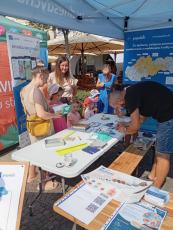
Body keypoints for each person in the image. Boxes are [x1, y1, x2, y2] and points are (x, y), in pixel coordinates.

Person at [109, 81, 173, 188]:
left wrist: (124, 129)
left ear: (120, 101)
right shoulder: (132, 92)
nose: (118, 109)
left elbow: (135, 128)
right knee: (159, 149)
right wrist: (126, 124)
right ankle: (152, 177)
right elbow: (141, 119)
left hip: (169, 117)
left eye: (116, 107)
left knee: (163, 155)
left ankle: (155, 189)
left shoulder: (129, 96)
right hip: (167, 115)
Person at [20, 66, 61, 185]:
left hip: (32, 126)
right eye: (46, 78)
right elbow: (41, 113)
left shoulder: (24, 89)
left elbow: (30, 110)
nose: (46, 82)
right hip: (42, 128)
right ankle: (45, 183)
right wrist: (55, 115)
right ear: (40, 75)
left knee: (35, 153)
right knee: (44, 156)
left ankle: (31, 176)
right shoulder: (36, 91)